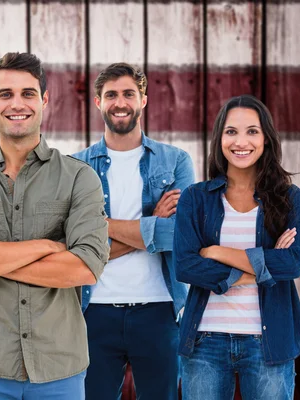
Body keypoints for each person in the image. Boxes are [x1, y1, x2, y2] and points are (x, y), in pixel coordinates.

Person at [0, 52, 109, 400]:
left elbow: (86, 267)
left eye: (28, 93)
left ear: (44, 99)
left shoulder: (79, 178)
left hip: (58, 369)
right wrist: (46, 247)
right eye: (6, 94)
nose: (17, 103)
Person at [174, 94, 300, 400]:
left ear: (266, 139)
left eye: (252, 131)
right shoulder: (196, 198)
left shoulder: (290, 199)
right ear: (219, 138)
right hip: (204, 340)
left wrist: (216, 252)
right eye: (231, 131)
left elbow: (292, 263)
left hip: (269, 343)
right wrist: (261, 266)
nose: (241, 141)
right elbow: (185, 266)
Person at [73, 63, 195, 400]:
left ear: (144, 99)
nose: (120, 102)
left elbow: (182, 237)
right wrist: (152, 223)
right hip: (92, 312)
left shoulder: (175, 162)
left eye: (128, 93)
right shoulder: (75, 167)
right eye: (111, 95)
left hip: (159, 311)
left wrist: (100, 226)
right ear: (98, 102)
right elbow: (72, 245)